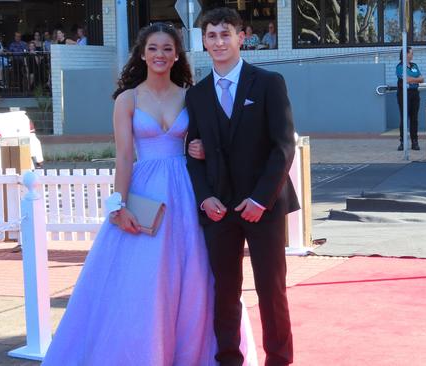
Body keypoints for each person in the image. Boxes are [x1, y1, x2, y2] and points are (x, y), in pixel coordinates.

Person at [41, 22, 257, 365]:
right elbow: (125, 156)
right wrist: (118, 204)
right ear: (142, 54)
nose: (160, 54)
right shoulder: (127, 99)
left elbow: (211, 141)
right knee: (143, 280)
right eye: (153, 48)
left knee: (198, 273)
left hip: (188, 192)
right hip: (146, 195)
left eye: (167, 49)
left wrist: (198, 148)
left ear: (177, 56)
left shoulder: (193, 95)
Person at [186, 8, 298, 366]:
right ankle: (229, 359)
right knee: (224, 292)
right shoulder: (197, 95)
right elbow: (193, 154)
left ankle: (279, 359)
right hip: (218, 210)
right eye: (211, 36)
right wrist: (205, 198)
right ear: (203, 42)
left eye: (225, 34)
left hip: (262, 208)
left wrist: (260, 199)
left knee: (271, 290)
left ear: (241, 36)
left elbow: (284, 146)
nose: (218, 42)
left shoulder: (268, 83)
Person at [396, 46, 424, 151]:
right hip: (404, 94)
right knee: (404, 117)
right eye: (411, 53)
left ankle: (414, 142)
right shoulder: (399, 67)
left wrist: (414, 80)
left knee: (414, 118)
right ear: (406, 54)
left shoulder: (414, 65)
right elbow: (406, 80)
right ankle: (403, 142)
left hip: (414, 93)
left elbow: (422, 79)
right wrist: (415, 79)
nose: (412, 55)